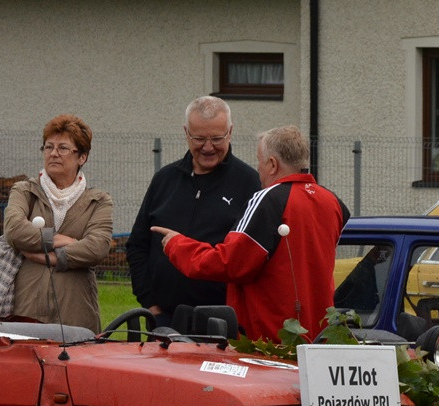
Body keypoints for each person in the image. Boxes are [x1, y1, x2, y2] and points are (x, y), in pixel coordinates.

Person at [150, 125, 350, 340]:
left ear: (272, 164)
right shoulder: (334, 203)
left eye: (260, 161)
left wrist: (177, 245)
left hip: (271, 337)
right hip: (317, 335)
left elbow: (231, 263)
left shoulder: (268, 199)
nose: (258, 169)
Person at [125, 96, 261, 328]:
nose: (208, 147)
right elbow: (137, 245)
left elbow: (250, 259)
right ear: (186, 133)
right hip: (163, 319)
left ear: (230, 132)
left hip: (223, 322)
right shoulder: (164, 180)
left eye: (217, 138)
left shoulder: (250, 183)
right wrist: (151, 306)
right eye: (199, 138)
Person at [1, 114, 113, 332]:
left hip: (76, 312)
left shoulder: (98, 200)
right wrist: (55, 239)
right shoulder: (25, 190)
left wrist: (54, 258)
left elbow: (97, 247)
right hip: (27, 311)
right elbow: (14, 230)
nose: (53, 153)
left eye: (63, 148)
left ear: (82, 157)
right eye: (48, 147)